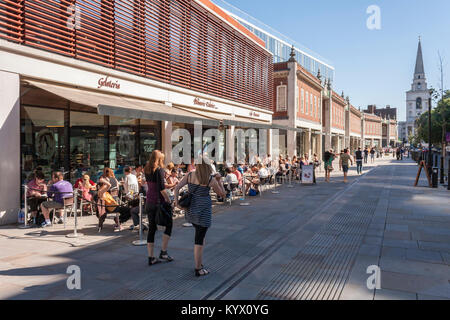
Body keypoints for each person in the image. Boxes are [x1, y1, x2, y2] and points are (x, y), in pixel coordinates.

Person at [174, 158, 226, 277]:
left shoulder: (190, 175)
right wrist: (220, 181)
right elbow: (222, 194)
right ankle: (198, 268)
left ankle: (199, 263)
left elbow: (177, 188)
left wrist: (177, 203)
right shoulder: (210, 180)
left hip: (191, 210)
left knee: (199, 236)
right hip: (203, 212)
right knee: (199, 239)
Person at [144, 150, 173, 266]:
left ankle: (151, 257)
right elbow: (162, 188)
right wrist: (169, 199)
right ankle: (163, 252)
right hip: (159, 201)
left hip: (149, 201)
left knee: (152, 228)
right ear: (160, 159)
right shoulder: (159, 170)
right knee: (169, 225)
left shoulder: (147, 168)